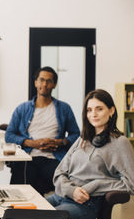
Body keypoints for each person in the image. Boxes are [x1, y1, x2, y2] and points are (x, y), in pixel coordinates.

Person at [19, 89, 134, 219]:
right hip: (60, 196)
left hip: (85, 206)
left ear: (111, 110)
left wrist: (94, 185)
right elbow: (59, 173)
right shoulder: (83, 138)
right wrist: (71, 190)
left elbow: (132, 184)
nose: (93, 114)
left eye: (99, 108)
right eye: (89, 110)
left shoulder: (119, 143)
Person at [5, 66, 80, 196]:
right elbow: (9, 135)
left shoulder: (64, 108)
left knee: (64, 183)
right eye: (41, 80)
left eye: (49, 81)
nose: (45, 84)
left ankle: (50, 211)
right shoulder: (22, 109)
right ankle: (17, 212)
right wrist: (30, 143)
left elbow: (76, 135)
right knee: (19, 186)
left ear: (54, 85)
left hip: (53, 158)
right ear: (36, 82)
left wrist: (60, 142)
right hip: (28, 158)